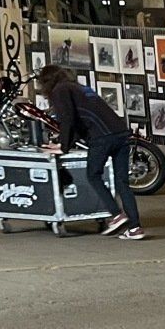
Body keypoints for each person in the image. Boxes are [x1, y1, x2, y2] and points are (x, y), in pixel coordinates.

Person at [35, 64, 144, 239]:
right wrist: (66, 144)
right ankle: (135, 228)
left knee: (93, 175)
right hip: (121, 133)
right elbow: (80, 119)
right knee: (122, 182)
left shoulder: (60, 90)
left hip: (102, 136)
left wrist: (63, 146)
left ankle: (116, 215)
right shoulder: (79, 88)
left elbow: (68, 119)